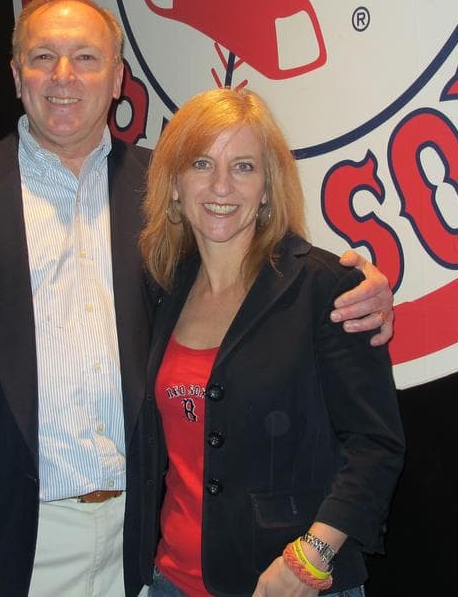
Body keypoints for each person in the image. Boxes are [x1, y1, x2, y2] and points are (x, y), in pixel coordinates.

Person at [0, 0, 395, 597]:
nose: (63, 76)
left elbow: (261, 270)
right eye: (43, 57)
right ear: (16, 75)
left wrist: (363, 285)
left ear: (118, 78)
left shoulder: (168, 184)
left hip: (138, 539)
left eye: (86, 58)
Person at [137, 88, 405, 596]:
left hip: (288, 583)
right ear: (174, 184)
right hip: (170, 580)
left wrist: (310, 559)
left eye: (243, 166)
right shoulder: (162, 288)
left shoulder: (326, 286)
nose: (221, 185)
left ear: (266, 187)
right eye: (201, 163)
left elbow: (376, 445)